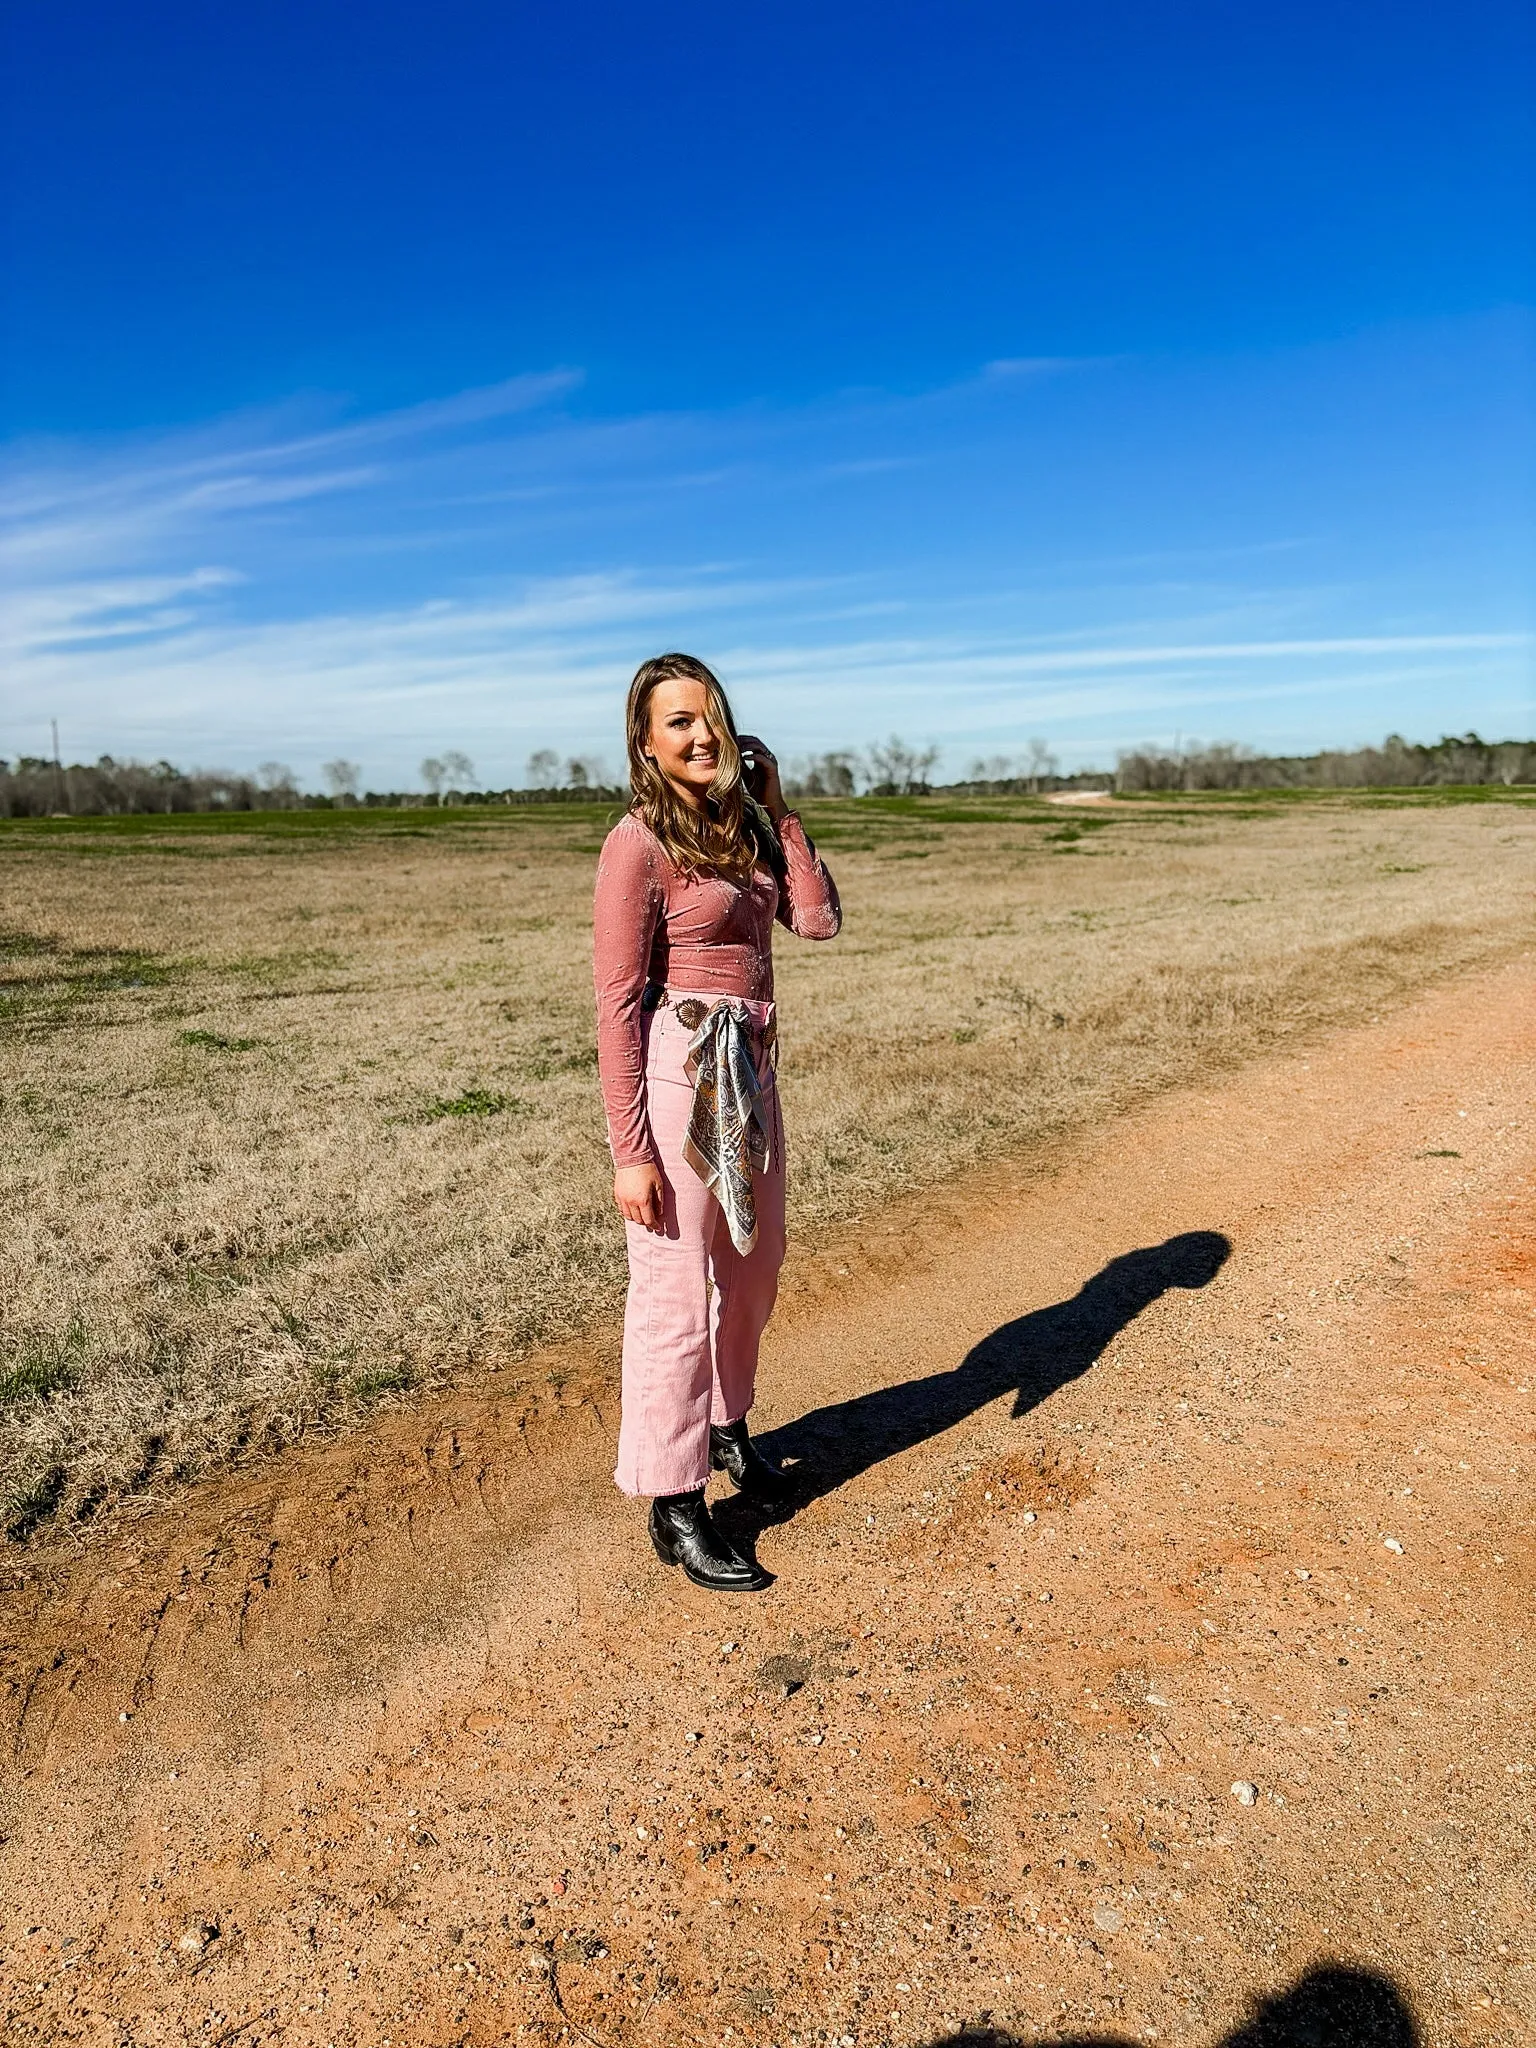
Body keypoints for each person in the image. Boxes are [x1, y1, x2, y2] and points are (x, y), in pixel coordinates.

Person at [593, 653, 842, 1591]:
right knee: (672, 1288)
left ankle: (727, 1422)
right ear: (646, 744)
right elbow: (617, 1001)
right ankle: (675, 1500)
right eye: (678, 724)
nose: (701, 736)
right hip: (676, 1079)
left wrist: (779, 811)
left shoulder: (740, 833)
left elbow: (815, 924)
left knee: (758, 1260)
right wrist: (631, 1154)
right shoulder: (638, 845)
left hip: (752, 1076)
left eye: (711, 717)